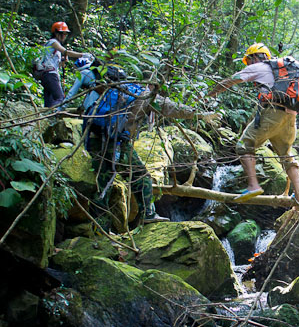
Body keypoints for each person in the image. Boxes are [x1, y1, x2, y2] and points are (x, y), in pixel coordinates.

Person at [82, 69, 218, 229]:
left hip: (97, 139)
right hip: (116, 144)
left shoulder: (114, 91)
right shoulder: (144, 95)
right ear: (153, 85)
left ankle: (98, 229)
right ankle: (146, 215)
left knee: (103, 184)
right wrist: (200, 115)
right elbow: (171, 108)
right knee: (140, 178)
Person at [208, 42, 299, 203]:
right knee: (287, 156)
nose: (248, 64)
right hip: (290, 116)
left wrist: (209, 95)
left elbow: (230, 81)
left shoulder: (259, 67)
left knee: (244, 146)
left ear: (254, 57)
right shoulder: (284, 72)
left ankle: (253, 185)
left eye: (248, 60)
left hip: (272, 113)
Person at [34, 21, 85, 107]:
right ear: (56, 33)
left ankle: (48, 115)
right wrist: (82, 55)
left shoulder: (54, 46)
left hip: (47, 75)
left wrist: (63, 61)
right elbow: (66, 52)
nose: (65, 36)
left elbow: (58, 65)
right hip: (50, 74)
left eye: (66, 34)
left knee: (50, 101)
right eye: (63, 33)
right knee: (60, 98)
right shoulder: (53, 42)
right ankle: (56, 113)